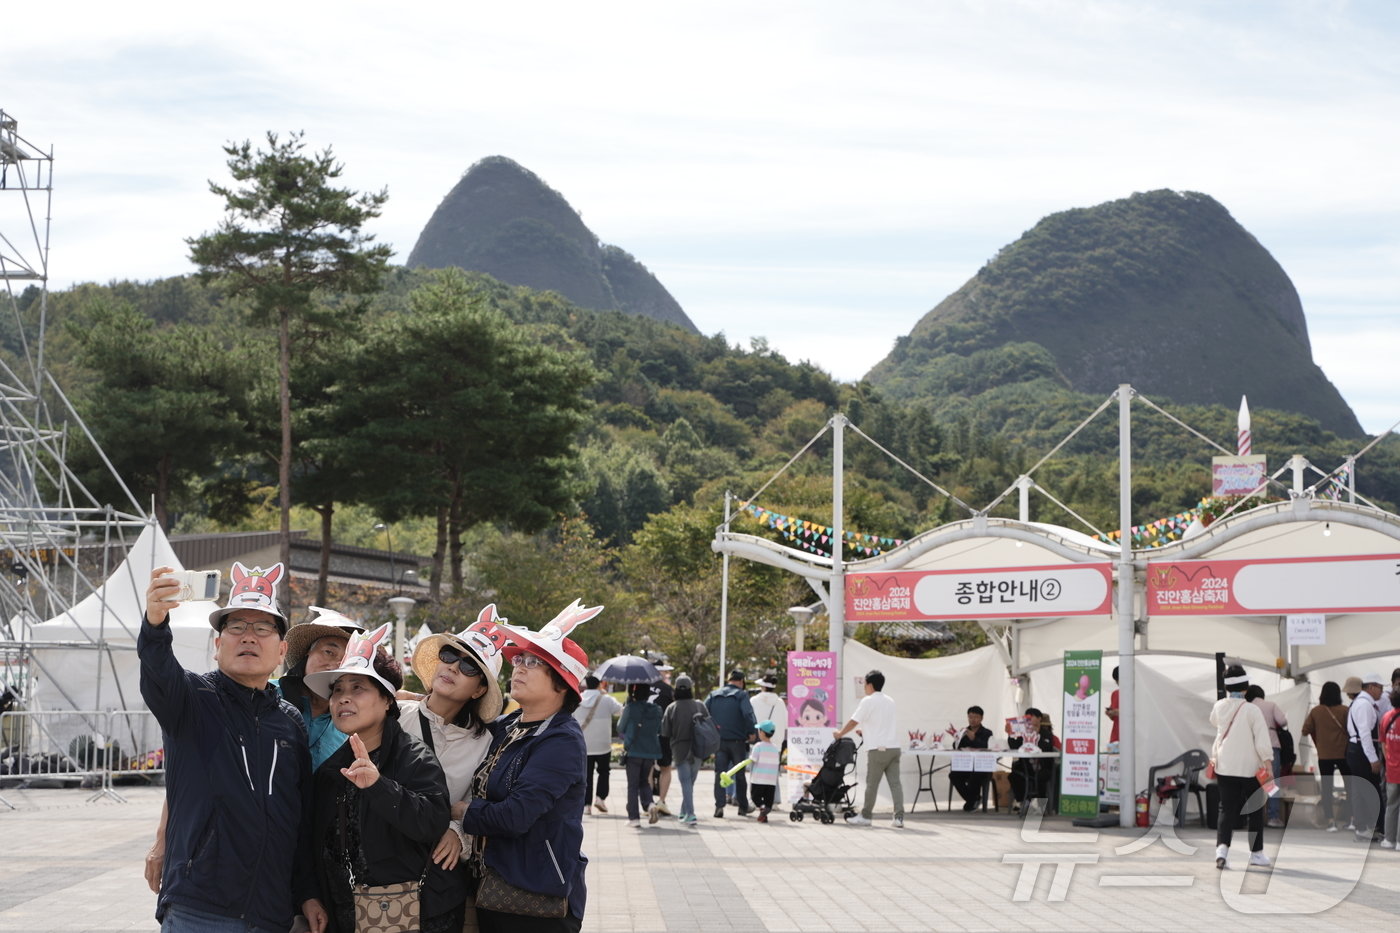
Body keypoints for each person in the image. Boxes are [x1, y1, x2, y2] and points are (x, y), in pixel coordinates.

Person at [138, 562, 314, 933]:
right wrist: (155, 625)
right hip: (200, 910)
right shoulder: (191, 700)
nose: (249, 636)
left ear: (281, 651)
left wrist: (307, 893)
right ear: (217, 645)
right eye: (236, 627)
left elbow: (298, 819)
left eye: (263, 627)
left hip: (271, 912)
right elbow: (158, 671)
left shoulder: (290, 722)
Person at [142, 604, 363, 897]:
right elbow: (194, 768)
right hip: (220, 873)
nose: (334, 663)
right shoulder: (262, 694)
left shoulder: (353, 717)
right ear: (303, 654)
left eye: (346, 657)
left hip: (299, 860)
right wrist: (163, 838)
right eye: (328, 651)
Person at [304, 623, 465, 933]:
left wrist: (379, 786)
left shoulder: (415, 758)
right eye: (337, 690)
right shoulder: (330, 770)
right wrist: (309, 895)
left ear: (388, 700)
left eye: (358, 688)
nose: (343, 698)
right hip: (344, 915)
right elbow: (311, 842)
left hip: (415, 915)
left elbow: (432, 821)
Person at [461, 599, 598, 933]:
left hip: (533, 897)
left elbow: (514, 816)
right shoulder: (508, 724)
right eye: (519, 658)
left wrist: (460, 811)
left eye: (533, 662)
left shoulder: (561, 740)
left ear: (562, 683)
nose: (518, 666)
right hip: (488, 885)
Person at [400, 602, 506, 919]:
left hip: (435, 881)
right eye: (449, 656)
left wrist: (457, 833)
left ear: (479, 690)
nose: (454, 668)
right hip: (378, 869)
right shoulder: (394, 717)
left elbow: (477, 802)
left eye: (470, 667)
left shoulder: (485, 744)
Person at [1210, 665, 1274, 869]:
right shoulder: (1252, 710)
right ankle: (1256, 853)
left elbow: (1214, 722)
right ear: (1246, 687)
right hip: (1250, 768)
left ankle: (1222, 851)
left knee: (1226, 809)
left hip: (1225, 766)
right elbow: (1262, 741)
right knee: (1254, 809)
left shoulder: (1219, 706)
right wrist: (1269, 765)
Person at [834, 669, 905, 828]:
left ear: (870, 685)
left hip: (877, 750)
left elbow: (854, 721)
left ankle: (866, 816)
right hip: (894, 748)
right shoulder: (890, 701)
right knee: (895, 784)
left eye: (865, 684)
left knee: (872, 784)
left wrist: (840, 734)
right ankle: (899, 818)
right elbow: (881, 724)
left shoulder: (868, 701)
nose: (864, 687)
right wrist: (865, 732)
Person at [707, 669, 758, 818]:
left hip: (719, 741)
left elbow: (704, 712)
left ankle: (719, 807)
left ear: (729, 681)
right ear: (741, 682)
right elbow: (748, 714)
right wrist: (751, 732)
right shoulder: (741, 695)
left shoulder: (714, 695)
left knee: (720, 774)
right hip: (737, 742)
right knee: (739, 774)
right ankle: (742, 806)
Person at [1301, 680, 1351, 831]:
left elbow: (1305, 730)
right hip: (1344, 754)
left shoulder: (1316, 711)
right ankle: (1351, 819)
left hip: (1325, 755)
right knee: (1350, 787)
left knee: (1327, 788)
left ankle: (1330, 821)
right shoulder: (1345, 710)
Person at [1346, 672, 1387, 843]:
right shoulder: (1364, 705)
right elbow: (1365, 734)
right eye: (1380, 688)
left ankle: (1364, 827)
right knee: (1370, 790)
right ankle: (1372, 827)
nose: (1382, 692)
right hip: (1361, 751)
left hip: (1357, 749)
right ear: (1371, 687)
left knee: (1362, 790)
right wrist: (1373, 759)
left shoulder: (1362, 703)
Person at [660, 674, 705, 826]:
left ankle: (690, 814)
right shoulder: (699, 705)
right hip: (698, 748)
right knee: (690, 783)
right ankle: (684, 811)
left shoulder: (672, 708)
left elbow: (665, 732)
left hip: (679, 749)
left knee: (686, 782)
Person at [574, 674, 622, 815]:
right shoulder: (606, 699)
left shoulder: (578, 699)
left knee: (586, 775)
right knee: (604, 772)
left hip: (584, 744)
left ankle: (586, 805)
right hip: (603, 744)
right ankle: (600, 799)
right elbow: (620, 710)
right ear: (598, 685)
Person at [619, 682, 663, 827]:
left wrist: (627, 707)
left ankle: (634, 818)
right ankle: (650, 804)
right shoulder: (657, 709)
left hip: (633, 751)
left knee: (632, 785)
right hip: (650, 752)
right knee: (644, 781)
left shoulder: (631, 708)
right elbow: (659, 729)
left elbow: (620, 727)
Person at [1244, 684, 1288, 827]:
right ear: (1262, 694)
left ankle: (1251, 816)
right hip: (1271, 746)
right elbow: (1283, 721)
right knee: (1271, 781)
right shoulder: (1271, 705)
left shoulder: (1246, 707)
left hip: (1251, 746)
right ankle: (1273, 817)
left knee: (1251, 781)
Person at [1006, 707, 1061, 813]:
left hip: (1043, 766)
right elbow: (1014, 746)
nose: (1029, 720)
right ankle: (1023, 801)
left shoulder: (1046, 734)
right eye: (1027, 718)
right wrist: (1011, 734)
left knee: (1040, 778)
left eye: (1032, 717)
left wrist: (1035, 737)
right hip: (1026, 766)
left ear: (1039, 718)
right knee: (1013, 776)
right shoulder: (1022, 733)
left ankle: (1039, 807)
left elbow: (1046, 748)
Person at [950, 705, 993, 811]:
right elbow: (957, 748)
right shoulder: (963, 732)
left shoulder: (987, 733)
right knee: (954, 775)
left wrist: (974, 738)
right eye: (970, 717)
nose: (972, 720)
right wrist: (957, 738)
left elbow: (987, 747)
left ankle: (972, 801)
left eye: (975, 717)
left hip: (982, 766)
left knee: (975, 776)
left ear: (981, 718)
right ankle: (974, 799)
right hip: (966, 765)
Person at [648, 664, 676, 814]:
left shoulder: (641, 687)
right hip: (664, 733)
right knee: (666, 768)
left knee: (648, 768)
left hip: (645, 734)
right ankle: (661, 801)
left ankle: (648, 802)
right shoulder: (667, 690)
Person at [748, 721, 781, 822]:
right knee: (768, 801)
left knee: (755, 798)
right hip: (771, 781)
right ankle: (764, 814)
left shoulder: (758, 746)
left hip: (758, 779)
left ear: (762, 732)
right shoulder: (775, 748)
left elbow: (753, 760)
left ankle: (762, 808)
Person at [1380, 687, 1400, 849]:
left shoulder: (1386, 718)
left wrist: (1389, 761)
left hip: (1391, 769)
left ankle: (1389, 839)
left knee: (1391, 804)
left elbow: (1383, 744)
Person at [1106, 666, 1121, 744]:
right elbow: (1113, 718)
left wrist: (1117, 712)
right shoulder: (1115, 694)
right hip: (1116, 736)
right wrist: (1110, 714)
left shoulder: (1137, 693)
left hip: (1132, 736)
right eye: (1116, 680)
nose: (1117, 683)